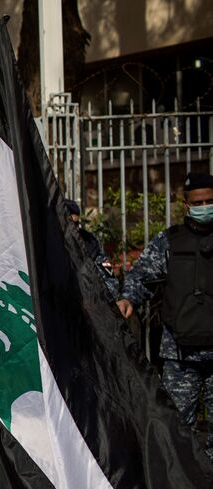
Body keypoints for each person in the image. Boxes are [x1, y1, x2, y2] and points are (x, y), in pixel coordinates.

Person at [116, 172, 213, 461]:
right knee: (176, 431)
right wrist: (128, 298)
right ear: (186, 204)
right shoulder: (169, 241)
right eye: (198, 202)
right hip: (180, 355)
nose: (205, 206)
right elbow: (141, 275)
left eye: (210, 201)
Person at [65, 200, 119, 300]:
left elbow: (110, 281)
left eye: (76, 224)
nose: (75, 229)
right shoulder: (50, 245)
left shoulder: (90, 244)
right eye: (70, 224)